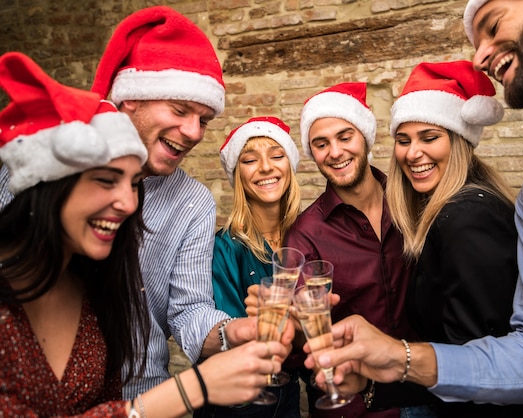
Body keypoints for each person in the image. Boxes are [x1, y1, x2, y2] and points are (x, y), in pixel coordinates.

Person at [304, 1, 523, 417]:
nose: (480, 55)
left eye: (493, 24)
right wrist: (389, 362)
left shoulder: (465, 217)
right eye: (403, 140)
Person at [0, 51, 289, 417]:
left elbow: (189, 310)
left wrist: (234, 331)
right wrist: (190, 390)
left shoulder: (90, 303)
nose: (195, 132)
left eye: (135, 184)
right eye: (180, 110)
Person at [373, 60, 523, 416]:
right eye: (403, 140)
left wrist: (377, 384)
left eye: (429, 137)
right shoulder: (451, 206)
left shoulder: (465, 218)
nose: (413, 153)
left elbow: (479, 366)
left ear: (459, 141)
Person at [286, 82, 417, 418]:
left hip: (427, 392)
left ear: (365, 137)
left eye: (345, 137)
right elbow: (307, 335)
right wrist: (296, 324)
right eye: (321, 144)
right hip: (357, 407)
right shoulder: (306, 234)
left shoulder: (413, 201)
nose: (335, 152)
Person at [194, 116, 302, 417]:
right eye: (250, 160)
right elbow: (227, 338)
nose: (266, 167)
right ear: (237, 175)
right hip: (237, 402)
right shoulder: (224, 248)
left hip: (289, 394)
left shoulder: (306, 237)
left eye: (277, 155)